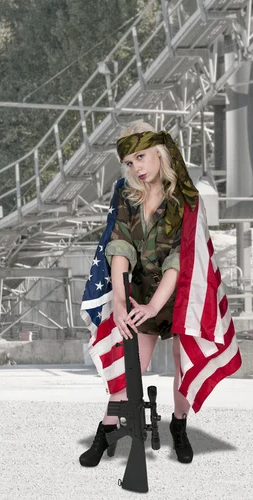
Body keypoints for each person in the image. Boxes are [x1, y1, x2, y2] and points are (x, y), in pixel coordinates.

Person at [79, 120, 199, 468]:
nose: (137, 168)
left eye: (142, 157)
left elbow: (180, 257)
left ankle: (179, 426)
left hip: (178, 292)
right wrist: (119, 301)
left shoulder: (185, 196)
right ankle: (106, 430)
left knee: (184, 366)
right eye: (130, 162)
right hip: (137, 290)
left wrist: (155, 305)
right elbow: (119, 245)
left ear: (160, 153)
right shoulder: (126, 192)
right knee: (131, 367)